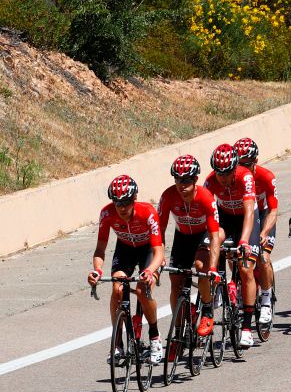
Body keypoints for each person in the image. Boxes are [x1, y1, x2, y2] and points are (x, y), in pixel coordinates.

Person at [88, 175, 165, 364]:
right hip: (125, 249)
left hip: (148, 250)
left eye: (126, 203)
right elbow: (100, 249)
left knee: (142, 290)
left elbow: (159, 252)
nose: (122, 208)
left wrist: (150, 270)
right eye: (117, 203)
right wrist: (97, 270)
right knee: (117, 289)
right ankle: (117, 343)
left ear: (134, 198)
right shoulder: (107, 214)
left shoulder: (148, 212)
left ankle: (155, 337)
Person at [158, 155, 222, 343]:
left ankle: (207, 309)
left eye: (186, 180)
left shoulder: (205, 198)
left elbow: (215, 236)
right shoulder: (168, 196)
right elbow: (159, 231)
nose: (181, 185)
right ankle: (178, 332)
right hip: (183, 237)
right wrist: (160, 256)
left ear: (195, 180)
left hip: (203, 235)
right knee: (175, 282)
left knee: (201, 266)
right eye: (178, 179)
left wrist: (213, 268)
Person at [204, 143, 262, 348]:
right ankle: (219, 282)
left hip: (246, 219)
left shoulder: (245, 177)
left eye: (227, 173)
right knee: (214, 241)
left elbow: (249, 212)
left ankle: (246, 328)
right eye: (219, 173)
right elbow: (208, 214)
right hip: (226, 218)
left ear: (235, 168)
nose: (222, 177)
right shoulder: (210, 181)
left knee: (245, 269)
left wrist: (244, 241)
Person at [234, 138, 277, 329]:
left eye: (246, 165)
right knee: (235, 256)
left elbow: (273, 210)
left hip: (264, 216)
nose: (242, 169)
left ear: (255, 161)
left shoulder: (266, 177)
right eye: (239, 165)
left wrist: (264, 232)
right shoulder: (233, 178)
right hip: (244, 217)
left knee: (263, 257)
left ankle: (266, 299)